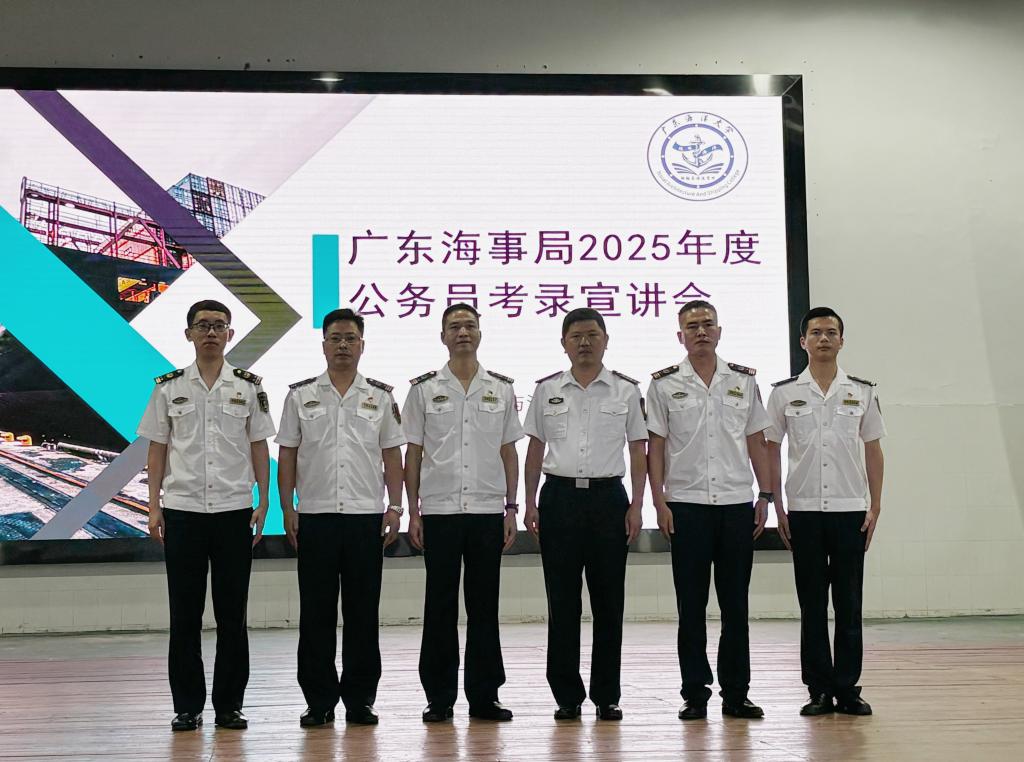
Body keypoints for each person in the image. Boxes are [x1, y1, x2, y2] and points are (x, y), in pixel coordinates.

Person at [137, 299, 274, 732]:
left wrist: (264, 500)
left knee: (233, 615)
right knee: (185, 615)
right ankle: (187, 707)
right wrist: (154, 505)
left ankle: (229, 705)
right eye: (203, 325)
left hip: (234, 512)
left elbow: (259, 446)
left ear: (230, 334)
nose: (211, 332)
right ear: (189, 334)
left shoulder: (248, 387)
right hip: (183, 512)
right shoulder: (168, 387)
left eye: (219, 326)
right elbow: (157, 448)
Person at [276, 308, 405, 727]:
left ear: (362, 345)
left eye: (351, 338)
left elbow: (392, 455)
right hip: (315, 517)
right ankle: (318, 701)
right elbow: (287, 455)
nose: (343, 345)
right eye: (335, 338)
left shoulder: (380, 397)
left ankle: (360, 700)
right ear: (324, 345)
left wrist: (396, 506)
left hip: (365, 518)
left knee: (363, 614)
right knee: (316, 614)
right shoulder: (300, 396)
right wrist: (287, 507)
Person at [646, 300, 772, 721]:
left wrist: (765, 495)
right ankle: (695, 693)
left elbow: (756, 440)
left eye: (707, 324)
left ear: (719, 332)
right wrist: (659, 500)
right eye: (692, 326)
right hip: (686, 506)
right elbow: (656, 446)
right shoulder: (664, 385)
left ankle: (736, 693)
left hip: (736, 505)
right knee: (692, 606)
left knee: (736, 606)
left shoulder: (743, 381)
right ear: (680, 336)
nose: (701, 331)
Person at [522, 307, 647, 722]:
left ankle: (607, 695)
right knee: (562, 602)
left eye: (592, 335)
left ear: (605, 340)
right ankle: (567, 695)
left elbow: (638, 450)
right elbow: (535, 448)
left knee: (609, 602)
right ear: (564, 343)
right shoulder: (547, 390)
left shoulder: (626, 390)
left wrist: (637, 504)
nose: (585, 342)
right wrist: (529, 502)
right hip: (559, 499)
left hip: (609, 500)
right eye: (576, 336)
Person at [402, 303, 523, 723]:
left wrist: (511, 507)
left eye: (470, 326)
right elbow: (413, 453)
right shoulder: (423, 389)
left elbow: (509, 451)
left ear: (480, 334)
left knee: (484, 606)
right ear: (443, 336)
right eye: (454, 327)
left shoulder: (501, 389)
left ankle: (485, 696)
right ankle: (438, 697)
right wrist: (413, 511)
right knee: (439, 605)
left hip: (487, 511)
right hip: (439, 511)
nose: (463, 333)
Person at [765, 306, 886, 717]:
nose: (823, 339)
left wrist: (875, 505)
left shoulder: (862, 391)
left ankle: (847, 687)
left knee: (849, 603)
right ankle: (818, 688)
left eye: (831, 332)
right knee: (812, 605)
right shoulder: (784, 393)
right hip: (804, 511)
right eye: (816, 332)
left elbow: (873, 449)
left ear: (841, 340)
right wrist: (777, 505)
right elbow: (770, 449)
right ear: (803, 341)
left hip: (851, 510)